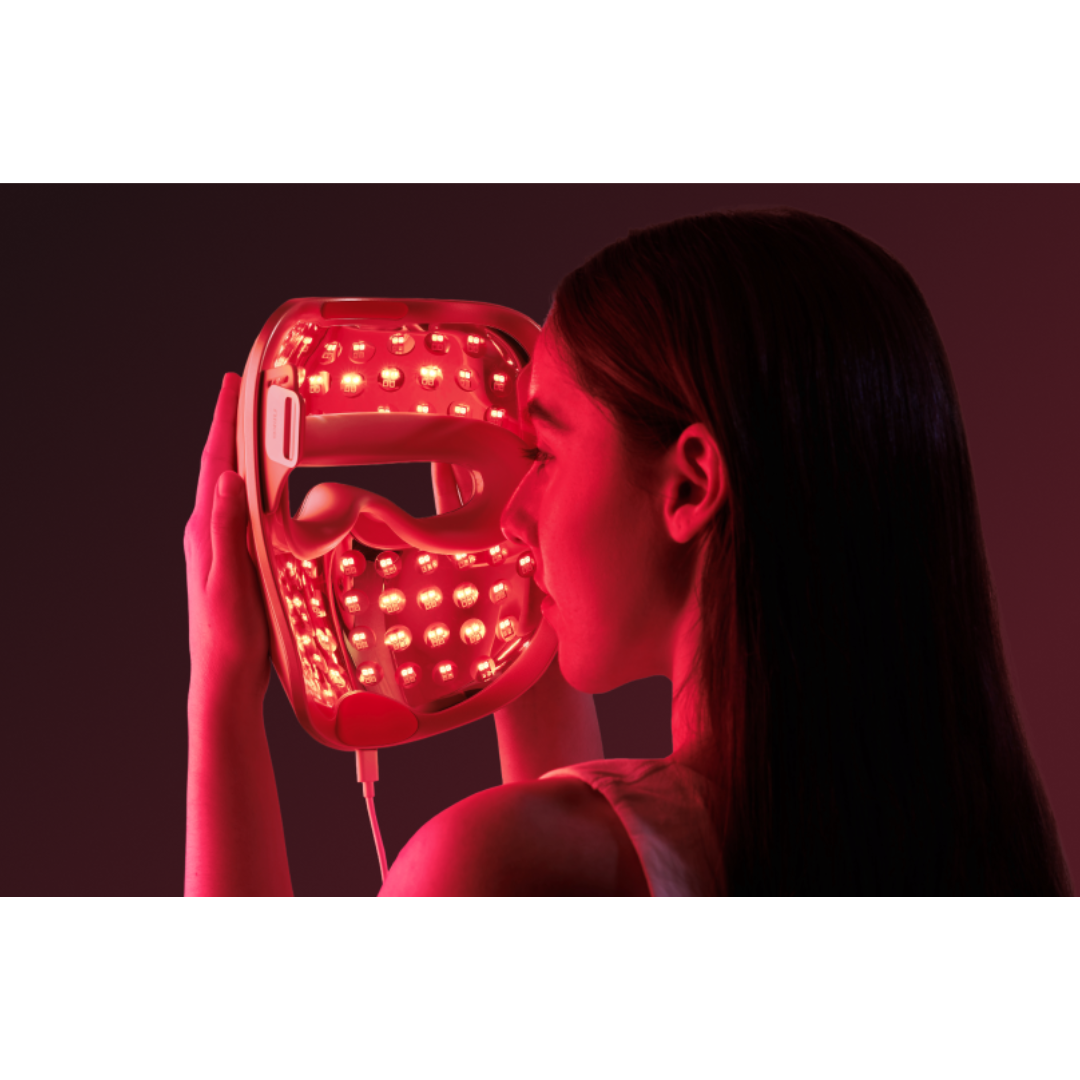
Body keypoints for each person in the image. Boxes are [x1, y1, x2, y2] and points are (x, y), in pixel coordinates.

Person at [184, 208, 1072, 896]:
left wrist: (223, 694)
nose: (514, 513)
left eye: (546, 451)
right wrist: (524, 654)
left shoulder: (497, 868)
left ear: (689, 486)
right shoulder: (964, 853)